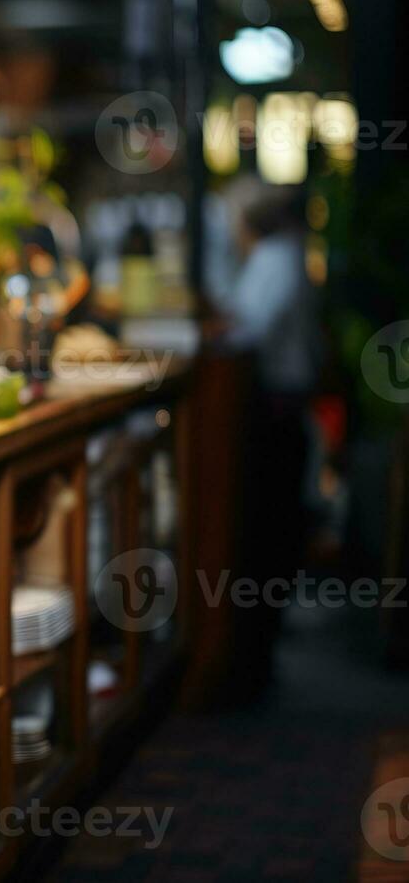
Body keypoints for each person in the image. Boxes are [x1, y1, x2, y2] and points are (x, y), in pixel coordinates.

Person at [219, 178, 321, 699]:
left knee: (267, 536)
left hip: (277, 416)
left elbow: (246, 332)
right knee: (270, 537)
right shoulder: (283, 255)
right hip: (280, 413)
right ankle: (255, 658)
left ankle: (252, 665)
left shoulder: (275, 259)